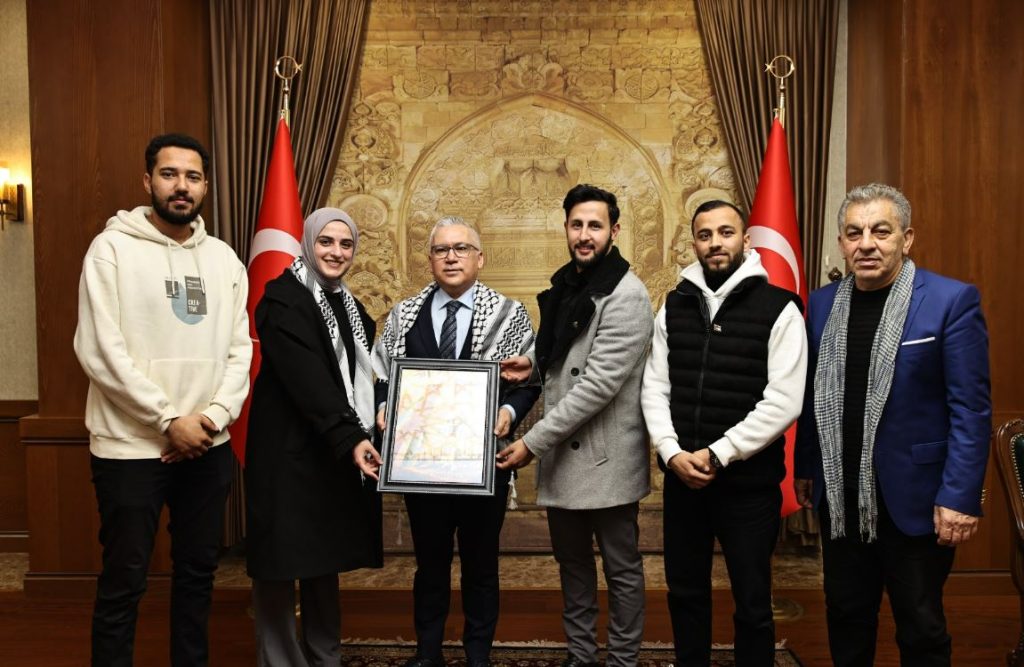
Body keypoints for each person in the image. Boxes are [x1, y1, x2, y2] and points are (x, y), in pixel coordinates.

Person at [73, 133, 252, 666]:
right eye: (169, 174)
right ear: (147, 180)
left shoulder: (224, 259)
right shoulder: (111, 250)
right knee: (124, 579)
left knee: (197, 575)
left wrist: (211, 418)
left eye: (192, 177)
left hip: (206, 445)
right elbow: (100, 350)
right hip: (129, 448)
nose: (181, 186)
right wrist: (167, 419)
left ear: (205, 187)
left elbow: (241, 350)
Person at [795, 183, 991, 666]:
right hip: (840, 497)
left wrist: (959, 496)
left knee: (921, 627)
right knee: (846, 616)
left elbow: (970, 410)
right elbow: (813, 394)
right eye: (854, 233)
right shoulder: (821, 304)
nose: (867, 244)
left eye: (881, 231)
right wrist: (806, 467)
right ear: (841, 243)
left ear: (907, 238)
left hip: (916, 499)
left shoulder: (950, 301)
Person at [640, 200, 807, 666]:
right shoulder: (674, 305)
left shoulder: (781, 308)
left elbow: (784, 401)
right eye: (705, 234)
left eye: (726, 232)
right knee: (685, 593)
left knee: (752, 602)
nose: (715, 243)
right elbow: (655, 386)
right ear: (694, 243)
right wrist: (671, 452)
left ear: (746, 241)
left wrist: (718, 454)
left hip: (748, 487)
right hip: (683, 480)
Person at [371, 216, 540, 667]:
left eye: (461, 248)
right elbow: (382, 377)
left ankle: (477, 655)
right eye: (441, 249)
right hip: (421, 465)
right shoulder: (404, 315)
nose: (451, 257)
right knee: (430, 564)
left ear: (479, 259)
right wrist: (384, 406)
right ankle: (427, 652)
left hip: (482, 463)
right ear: (429, 259)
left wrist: (509, 413)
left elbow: (529, 382)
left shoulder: (509, 314)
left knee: (481, 565)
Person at [497, 184, 653, 667]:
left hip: (606, 458)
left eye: (595, 226)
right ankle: (580, 657)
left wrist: (532, 444)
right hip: (567, 455)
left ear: (614, 231)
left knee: (621, 569)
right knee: (573, 566)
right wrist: (531, 363)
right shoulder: (568, 284)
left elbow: (596, 386)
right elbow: (563, 355)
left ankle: (622, 661)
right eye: (577, 224)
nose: (585, 235)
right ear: (566, 228)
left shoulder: (627, 295)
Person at [244, 208, 383, 666]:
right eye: (326, 241)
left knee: (323, 560)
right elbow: (308, 379)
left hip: (329, 452)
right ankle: (281, 659)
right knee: (280, 562)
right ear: (307, 243)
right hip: (286, 457)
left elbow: (365, 377)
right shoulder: (283, 298)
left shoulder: (349, 306)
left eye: (346, 244)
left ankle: (325, 656)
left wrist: (376, 417)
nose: (336, 252)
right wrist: (351, 435)